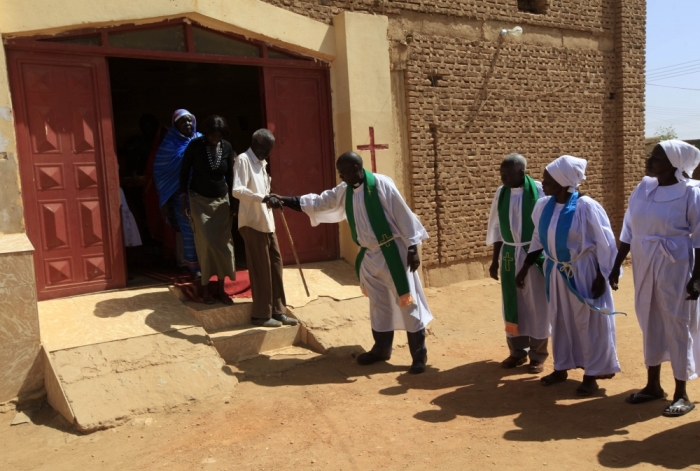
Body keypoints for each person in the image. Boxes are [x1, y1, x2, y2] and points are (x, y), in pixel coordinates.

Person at [274, 151, 433, 374]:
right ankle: (381, 349)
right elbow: (321, 201)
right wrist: (286, 201)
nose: (341, 178)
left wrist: (413, 248)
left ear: (356, 168)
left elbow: (403, 214)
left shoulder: (381, 184)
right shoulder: (345, 191)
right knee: (378, 304)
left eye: (343, 173)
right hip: (369, 255)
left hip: (392, 252)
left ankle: (418, 355)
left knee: (408, 302)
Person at [515, 155, 621, 396]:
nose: (543, 182)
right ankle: (561, 367)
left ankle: (591, 374)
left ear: (564, 181)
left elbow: (605, 243)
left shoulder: (586, 207)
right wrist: (525, 267)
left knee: (587, 322)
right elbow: (538, 238)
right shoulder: (544, 206)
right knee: (560, 319)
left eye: (548, 178)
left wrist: (602, 276)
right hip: (555, 272)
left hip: (582, 272)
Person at [609, 140, 700, 417]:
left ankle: (682, 393)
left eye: (657, 157)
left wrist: (696, 278)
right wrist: (616, 266)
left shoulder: (691, 193)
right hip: (644, 262)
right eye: (652, 155)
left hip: (676, 266)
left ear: (675, 163)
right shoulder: (643, 188)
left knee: (677, 323)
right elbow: (628, 229)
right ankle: (653, 385)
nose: (650, 160)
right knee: (649, 320)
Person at [486, 153, 549, 374]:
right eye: (501, 174)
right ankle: (517, 352)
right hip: (510, 255)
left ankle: (538, 355)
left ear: (521, 173)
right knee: (514, 304)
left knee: (537, 305)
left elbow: (545, 226)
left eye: (506, 175)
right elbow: (496, 228)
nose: (502, 179)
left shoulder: (540, 191)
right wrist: (495, 260)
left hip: (533, 255)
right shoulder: (501, 194)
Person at [231, 129, 298, 327]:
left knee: (276, 266)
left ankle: (278, 311)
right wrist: (263, 198)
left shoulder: (262, 163)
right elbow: (237, 190)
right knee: (261, 269)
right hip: (252, 223)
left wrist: (271, 198)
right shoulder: (243, 160)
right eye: (266, 150)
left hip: (267, 223)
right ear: (258, 146)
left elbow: (264, 193)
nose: (268, 154)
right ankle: (261, 315)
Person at [179, 115, 237, 305]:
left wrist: (234, 203)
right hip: (199, 200)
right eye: (212, 133)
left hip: (222, 202)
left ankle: (221, 289)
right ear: (206, 132)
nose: (216, 137)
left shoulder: (227, 147)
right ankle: (205, 288)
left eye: (219, 134)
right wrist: (183, 199)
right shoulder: (195, 146)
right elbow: (184, 172)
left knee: (223, 245)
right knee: (207, 243)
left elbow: (230, 175)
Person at [154, 109, 201, 279]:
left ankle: (208, 264)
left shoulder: (201, 140)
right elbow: (160, 173)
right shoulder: (169, 145)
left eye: (190, 120)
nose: (188, 124)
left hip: (202, 195)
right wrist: (164, 200)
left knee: (205, 231)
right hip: (180, 198)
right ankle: (194, 269)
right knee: (188, 233)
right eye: (183, 122)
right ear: (176, 126)